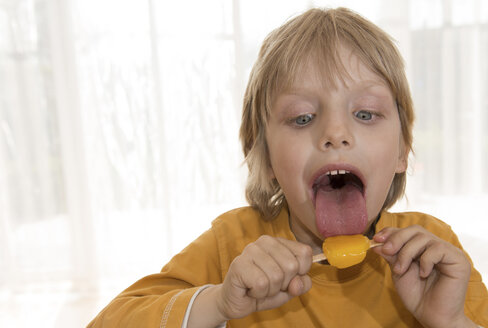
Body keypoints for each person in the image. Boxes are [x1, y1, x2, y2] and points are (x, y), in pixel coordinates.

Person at [88, 7, 488, 327]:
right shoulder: (233, 247)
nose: (335, 133)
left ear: (403, 151)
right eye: (301, 118)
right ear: (267, 159)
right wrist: (218, 303)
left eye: (365, 114)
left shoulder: (433, 257)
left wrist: (449, 321)